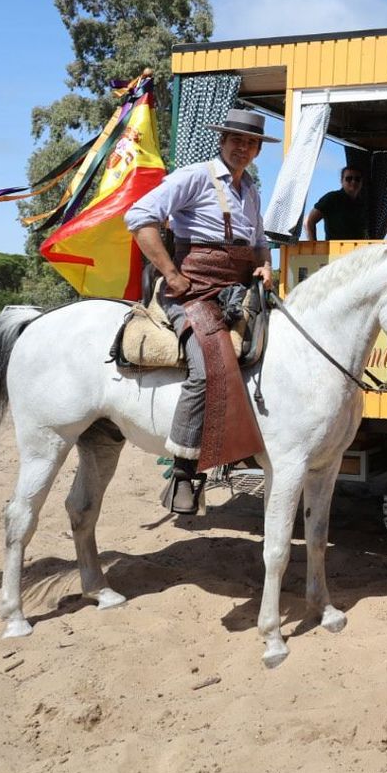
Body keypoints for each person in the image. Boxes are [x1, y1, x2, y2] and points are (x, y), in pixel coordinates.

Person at [125, 107, 278, 515]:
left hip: (236, 291)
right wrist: (171, 274)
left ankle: (246, 445)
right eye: (236, 140)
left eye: (250, 143)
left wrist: (264, 264)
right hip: (192, 293)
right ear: (222, 141)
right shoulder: (194, 176)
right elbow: (138, 217)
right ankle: (182, 473)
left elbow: (259, 240)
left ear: (258, 149)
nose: (242, 148)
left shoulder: (251, 190)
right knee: (208, 367)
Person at [303, 164, 369, 241]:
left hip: (358, 251)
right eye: (349, 178)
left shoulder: (363, 203)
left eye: (357, 179)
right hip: (335, 251)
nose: (353, 181)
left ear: (361, 182)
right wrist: (314, 245)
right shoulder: (332, 198)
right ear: (341, 181)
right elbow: (309, 221)